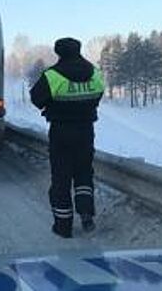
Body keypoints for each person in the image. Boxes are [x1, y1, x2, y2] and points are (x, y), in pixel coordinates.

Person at [29, 37, 104, 238]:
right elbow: (98, 95)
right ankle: (86, 214)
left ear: (59, 52)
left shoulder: (53, 75)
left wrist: (55, 106)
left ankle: (63, 227)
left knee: (61, 177)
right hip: (86, 131)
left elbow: (36, 98)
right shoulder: (95, 72)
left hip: (61, 132)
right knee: (84, 173)